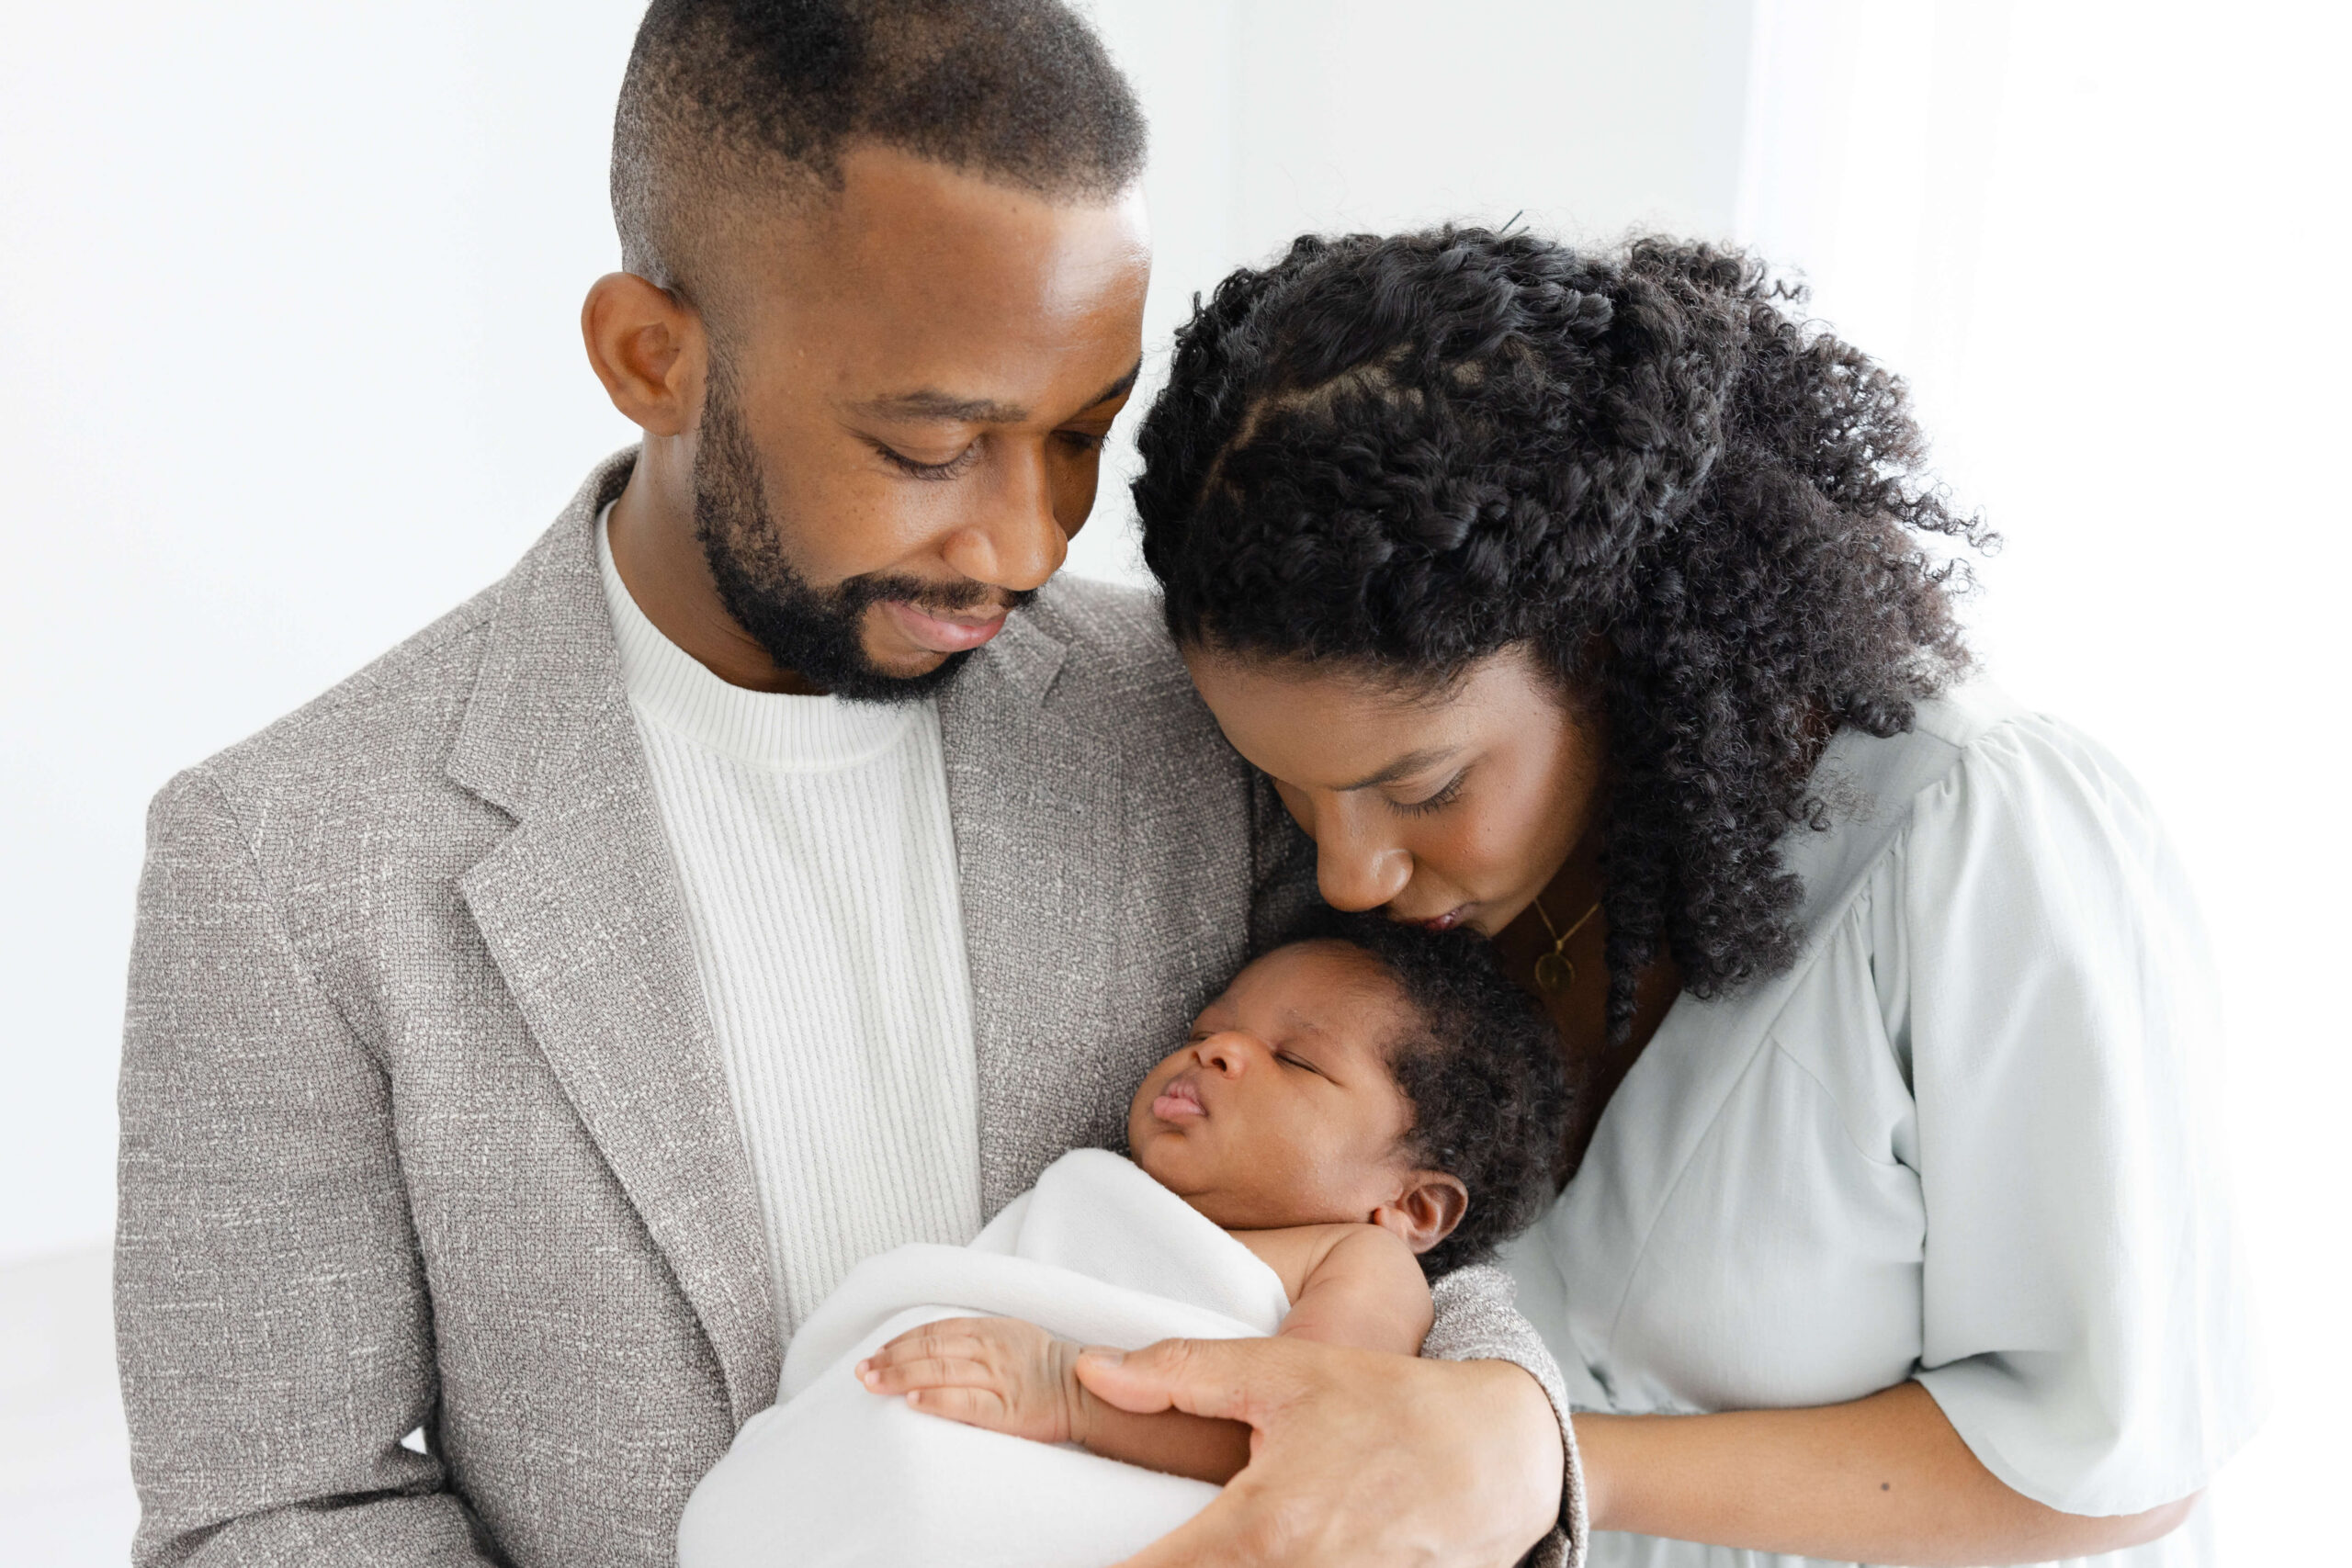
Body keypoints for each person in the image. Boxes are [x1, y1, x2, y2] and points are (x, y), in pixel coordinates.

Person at [111, 6, 1577, 1567]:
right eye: (931, 443)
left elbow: (1407, 1189)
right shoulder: (282, 861)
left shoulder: (1191, 722)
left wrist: (1507, 1431)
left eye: (1082, 431)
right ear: (650, 357)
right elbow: (274, 1507)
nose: (1025, 545)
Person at [1127, 228, 2263, 1567]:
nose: (1347, 873)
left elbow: (2112, 1467)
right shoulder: (1404, 919)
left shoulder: (1977, 832)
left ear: (1606, 639)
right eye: (1295, 786)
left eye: (1422, 786)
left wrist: (1530, 1447)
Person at [857, 909, 1570, 1482]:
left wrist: (1067, 1393)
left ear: (1410, 1207)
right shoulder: (1101, 1184)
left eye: (1295, 1059)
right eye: (1208, 1029)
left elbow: (1311, 1432)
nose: (1216, 1050)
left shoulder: (1358, 1261)